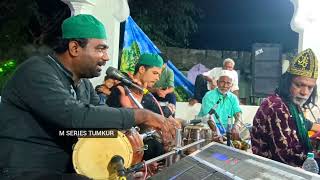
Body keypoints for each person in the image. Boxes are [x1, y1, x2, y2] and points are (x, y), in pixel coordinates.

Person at [0, 14, 177, 180]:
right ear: (74, 48)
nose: (106, 57)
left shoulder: (82, 84)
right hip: (24, 171)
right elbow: (75, 116)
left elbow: (99, 118)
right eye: (100, 49)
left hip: (65, 170)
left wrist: (135, 147)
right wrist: (142, 115)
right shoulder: (37, 71)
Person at [251, 48, 320, 167]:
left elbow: (301, 122)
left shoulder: (290, 103)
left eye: (310, 87)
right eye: (299, 85)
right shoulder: (277, 107)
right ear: (287, 82)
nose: (304, 92)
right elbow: (289, 156)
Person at [107, 53, 176, 159]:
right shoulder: (121, 90)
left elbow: (161, 116)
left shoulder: (148, 96)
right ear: (142, 69)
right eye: (154, 73)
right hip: (123, 149)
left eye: (159, 75)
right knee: (154, 147)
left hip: (148, 151)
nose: (157, 78)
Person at [198, 70, 242, 139]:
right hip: (209, 127)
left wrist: (236, 126)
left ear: (231, 85)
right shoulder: (209, 95)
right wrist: (217, 132)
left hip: (226, 129)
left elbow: (238, 114)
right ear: (217, 82)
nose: (225, 86)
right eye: (222, 82)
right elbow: (209, 118)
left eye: (228, 83)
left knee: (247, 130)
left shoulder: (233, 98)